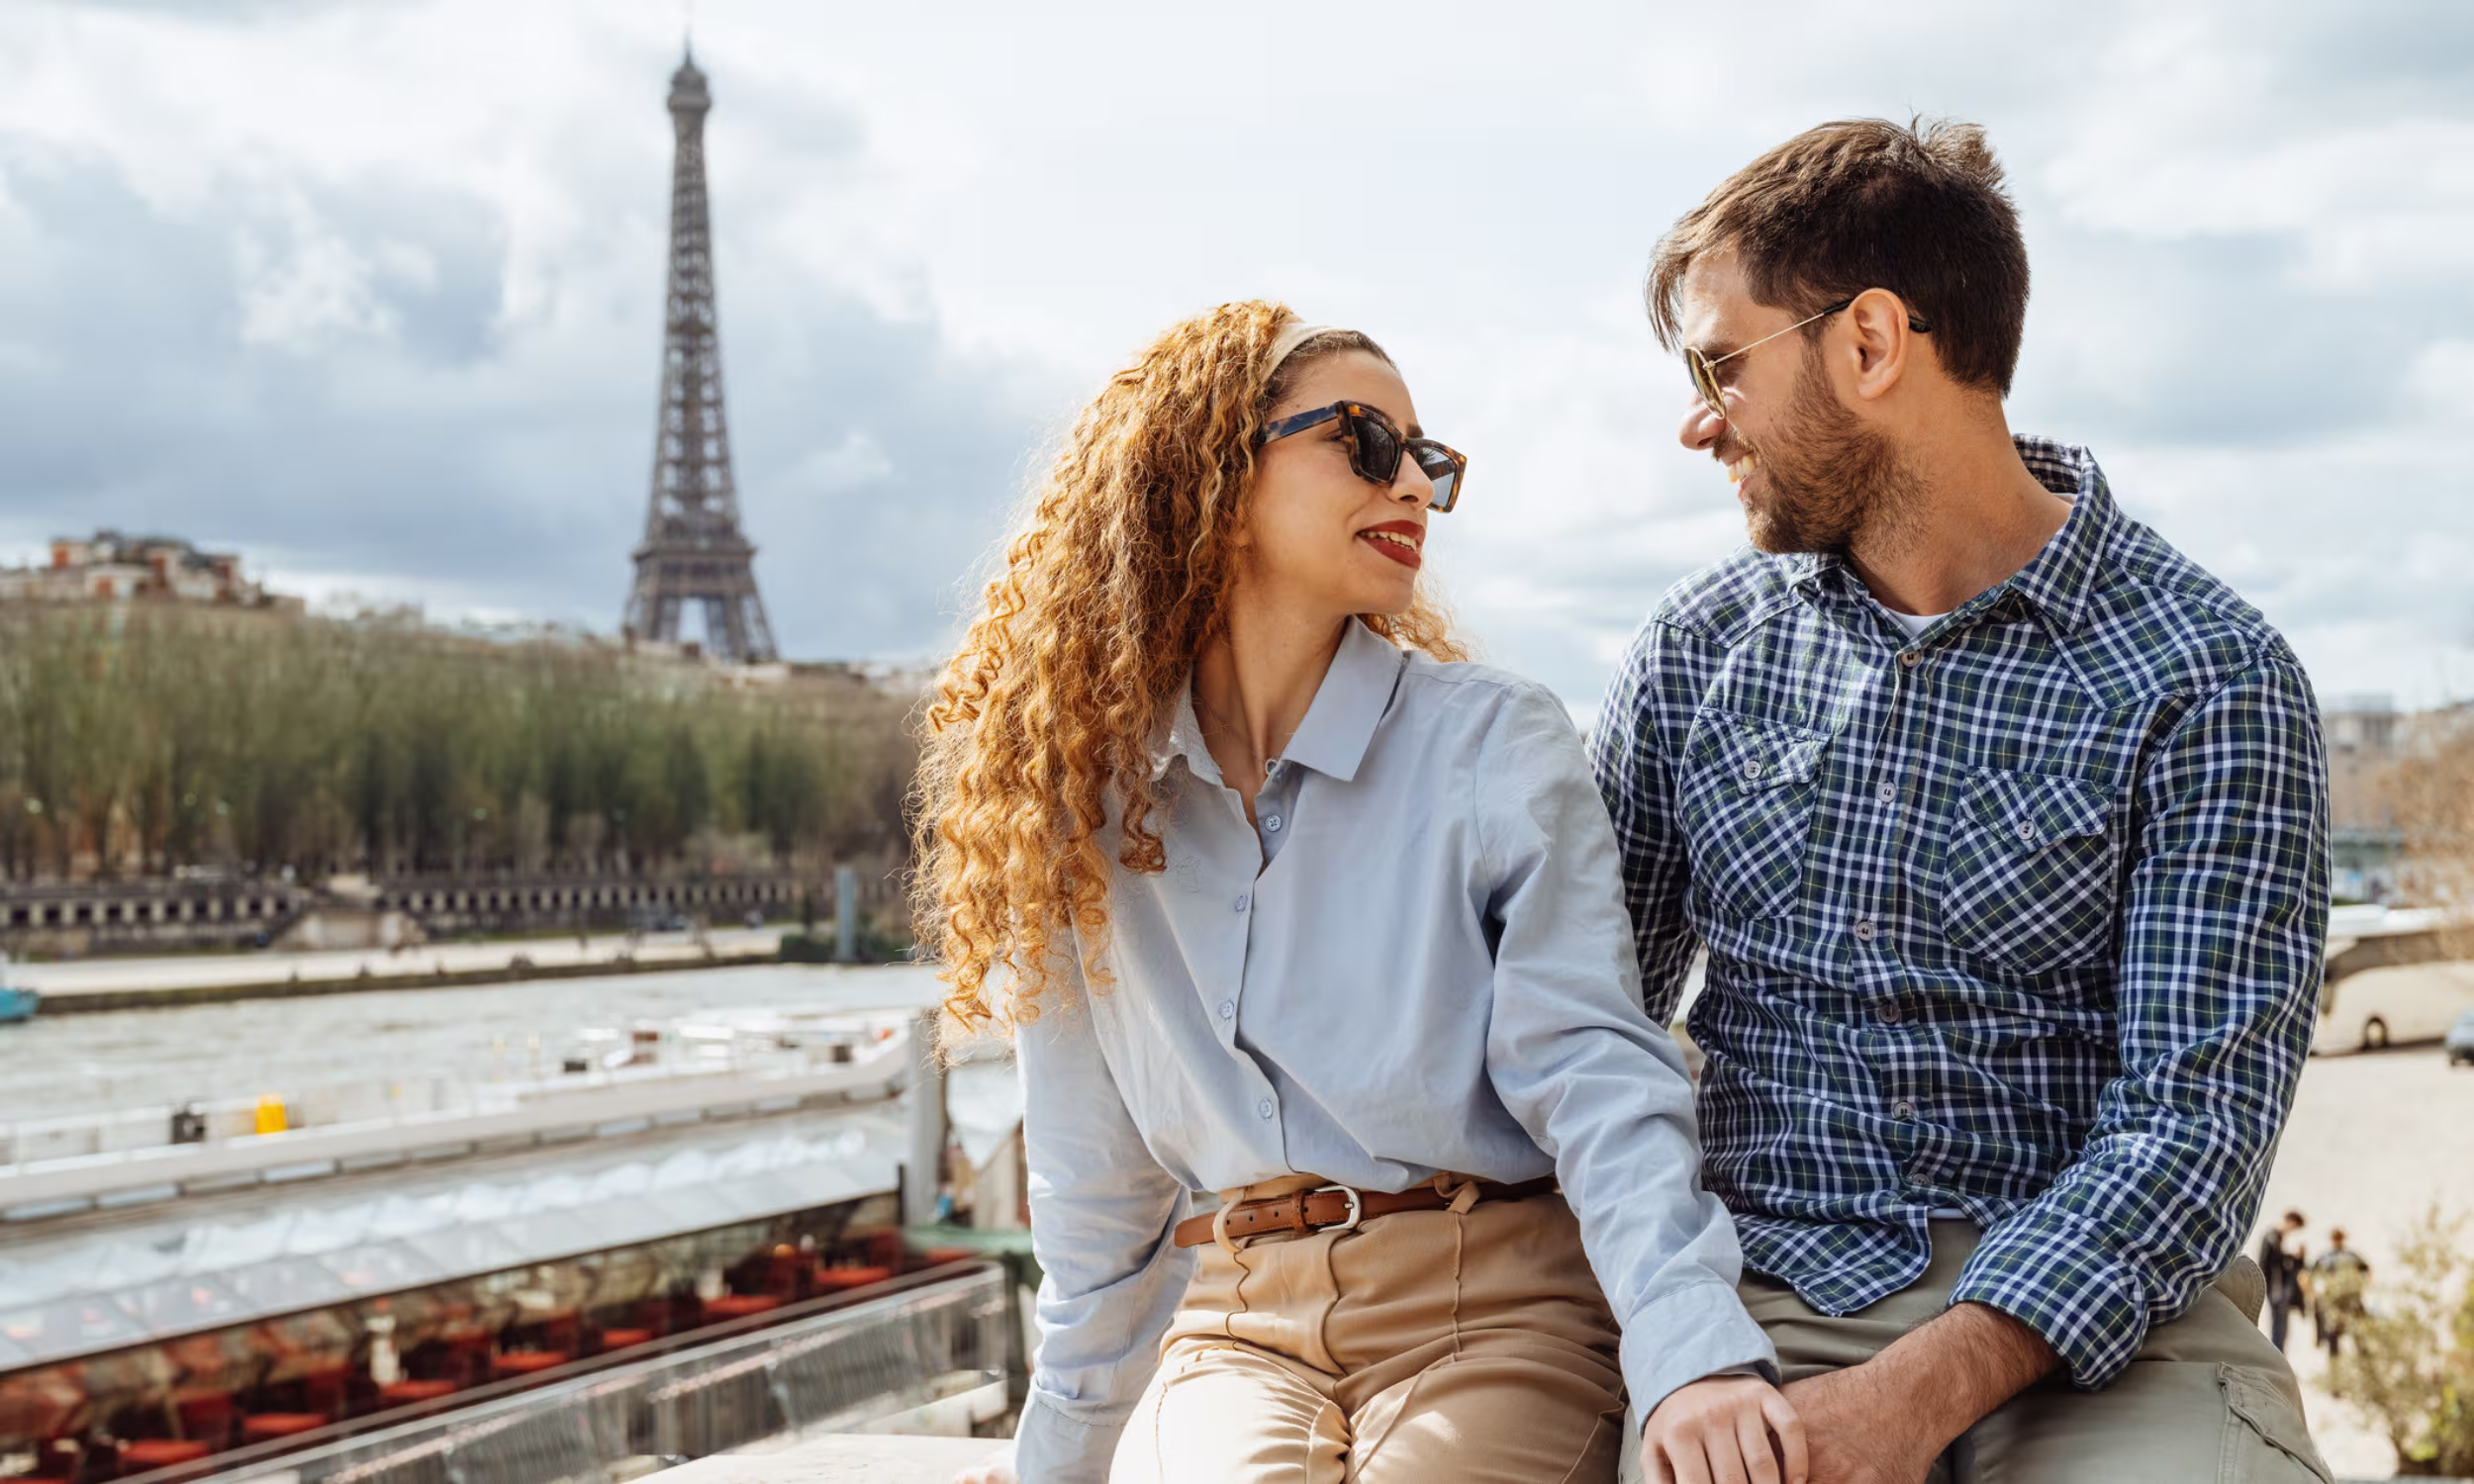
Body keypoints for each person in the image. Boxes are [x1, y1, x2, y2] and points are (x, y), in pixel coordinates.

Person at [918, 303, 1801, 1484]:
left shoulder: (1491, 743)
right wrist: (1054, 1464)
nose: (1415, 487)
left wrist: (1691, 1351)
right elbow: (1097, 1200)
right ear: (1214, 476)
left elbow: (1595, 1071)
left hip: (1499, 1313)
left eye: (1426, 459)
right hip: (1232, 1336)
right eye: (1366, 443)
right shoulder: (1082, 800)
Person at [1589, 118, 2333, 1483]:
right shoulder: (1694, 655)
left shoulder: (2210, 677)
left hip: (2113, 1335)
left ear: (1871, 343)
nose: (1697, 422)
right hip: (1759, 1310)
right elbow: (1584, 1030)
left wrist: (1910, 1398)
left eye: (1720, 365)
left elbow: (2194, 1125)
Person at [2310, 1230, 2370, 1359]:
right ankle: (2334, 1364)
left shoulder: (2351, 1256)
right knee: (2333, 1334)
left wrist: (2361, 1286)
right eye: (2335, 1238)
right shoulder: (2325, 1258)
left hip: (2351, 1299)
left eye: (2339, 1238)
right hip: (2334, 1301)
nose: (2337, 1241)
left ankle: (2365, 1363)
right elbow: (2310, 1276)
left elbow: (2367, 1271)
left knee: (2358, 1333)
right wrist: (2316, 1293)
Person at [2257, 1212, 2308, 1353]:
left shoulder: (2277, 1239)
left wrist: (2297, 1258)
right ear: (2291, 1222)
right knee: (2279, 1330)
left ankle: (2278, 1358)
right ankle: (2276, 1359)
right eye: (2295, 1227)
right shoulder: (2271, 1237)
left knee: (2282, 1330)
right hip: (2276, 1292)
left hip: (2278, 1292)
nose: (2292, 1231)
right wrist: (2293, 1256)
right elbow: (2269, 1263)